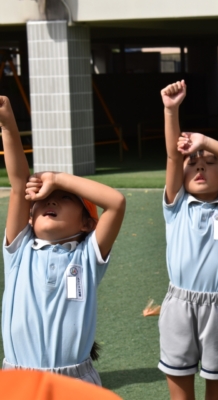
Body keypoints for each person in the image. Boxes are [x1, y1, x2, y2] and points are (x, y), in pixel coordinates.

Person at [0, 96, 126, 385]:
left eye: (63, 198)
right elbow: (19, 185)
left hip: (75, 381)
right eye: (43, 201)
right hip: (18, 381)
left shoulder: (87, 257)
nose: (50, 202)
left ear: (87, 223)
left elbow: (116, 203)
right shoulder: (20, 250)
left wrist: (57, 178)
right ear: (29, 219)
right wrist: (7, 123)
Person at [158, 80, 218, 400]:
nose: (200, 164)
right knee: (180, 394)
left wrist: (206, 141)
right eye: (194, 162)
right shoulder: (177, 205)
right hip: (178, 305)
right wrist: (171, 111)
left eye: (210, 162)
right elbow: (174, 158)